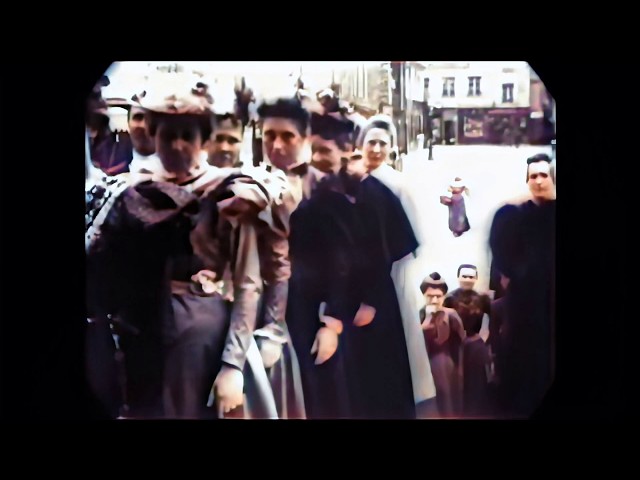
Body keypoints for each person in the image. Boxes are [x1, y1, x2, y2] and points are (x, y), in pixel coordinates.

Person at [86, 72, 277, 419]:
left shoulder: (230, 193)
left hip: (206, 344)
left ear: (204, 139)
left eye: (187, 136)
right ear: (153, 136)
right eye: (167, 135)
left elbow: (248, 283)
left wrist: (232, 365)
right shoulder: (134, 193)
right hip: (144, 339)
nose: (176, 146)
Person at [488, 152, 555, 417]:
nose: (538, 181)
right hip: (524, 302)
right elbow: (501, 256)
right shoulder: (513, 215)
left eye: (543, 175)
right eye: (533, 176)